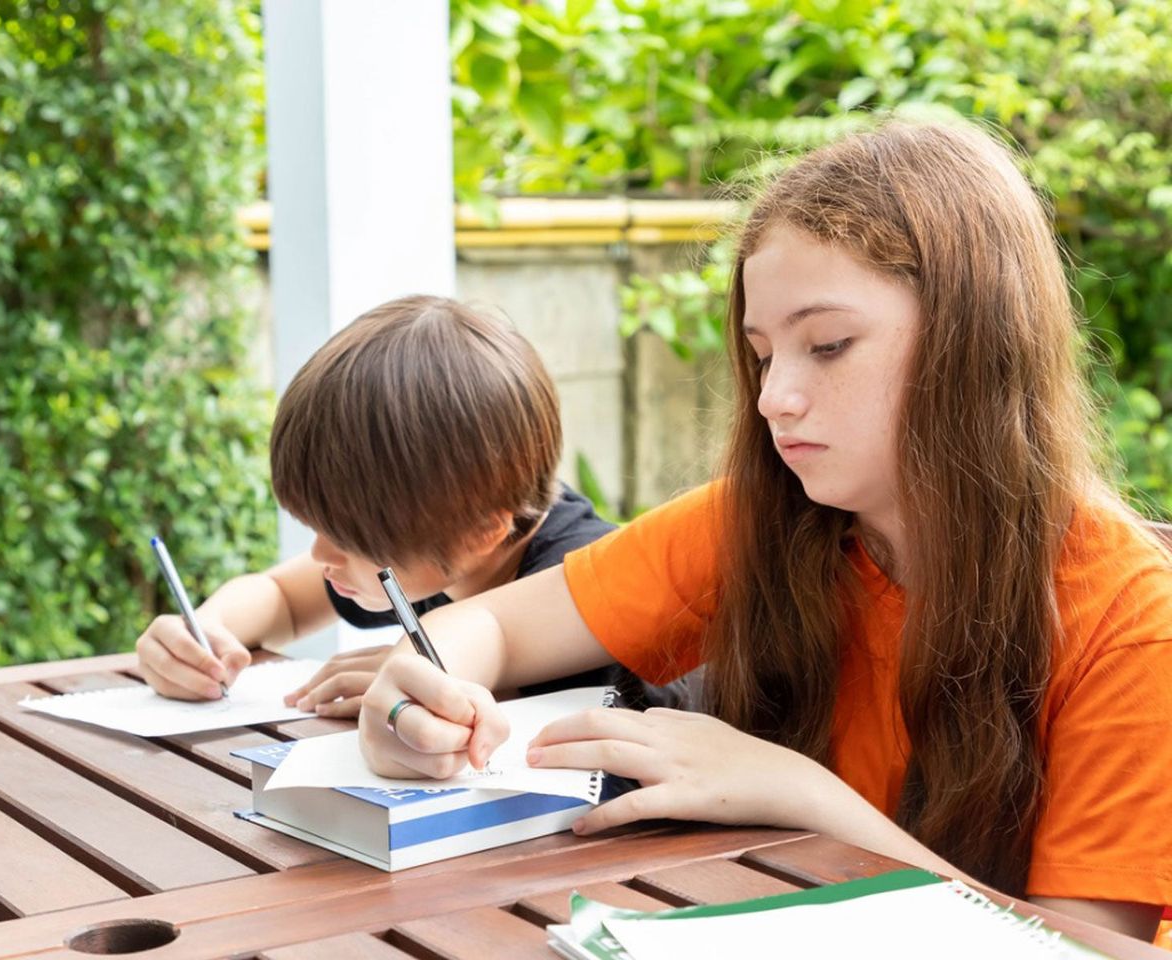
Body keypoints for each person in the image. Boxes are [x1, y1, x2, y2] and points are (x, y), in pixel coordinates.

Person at [354, 121, 1172, 941]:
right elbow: (491, 624)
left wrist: (800, 794)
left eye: (828, 345)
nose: (774, 396)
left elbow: (1087, 950)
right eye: (762, 354)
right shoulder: (760, 521)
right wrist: (413, 694)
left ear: (974, 342)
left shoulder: (1131, 618)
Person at [135, 295, 665, 714]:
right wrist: (203, 632)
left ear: (481, 531)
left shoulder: (585, 589)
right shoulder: (439, 531)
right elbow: (281, 597)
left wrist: (421, 690)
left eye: (349, 538)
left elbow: (590, 729)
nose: (322, 555)